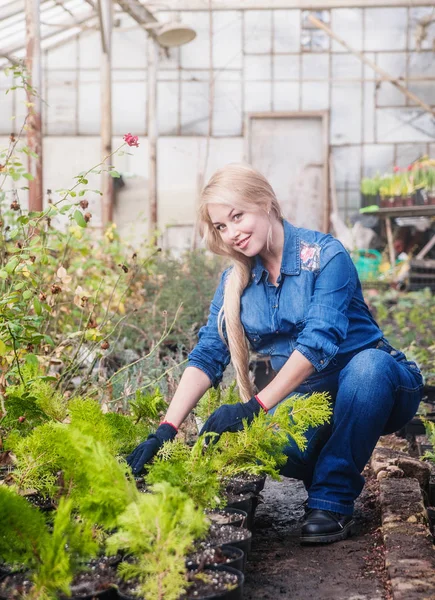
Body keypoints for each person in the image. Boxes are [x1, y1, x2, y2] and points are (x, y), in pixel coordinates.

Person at [127, 163, 424, 545]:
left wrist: (254, 407)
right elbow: (208, 353)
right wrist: (166, 430)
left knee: (366, 369)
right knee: (268, 442)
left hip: (380, 387)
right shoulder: (235, 281)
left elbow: (319, 341)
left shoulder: (324, 256)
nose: (232, 233)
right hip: (311, 398)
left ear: (266, 203)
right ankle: (334, 459)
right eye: (221, 226)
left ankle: (331, 498)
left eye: (238, 216)